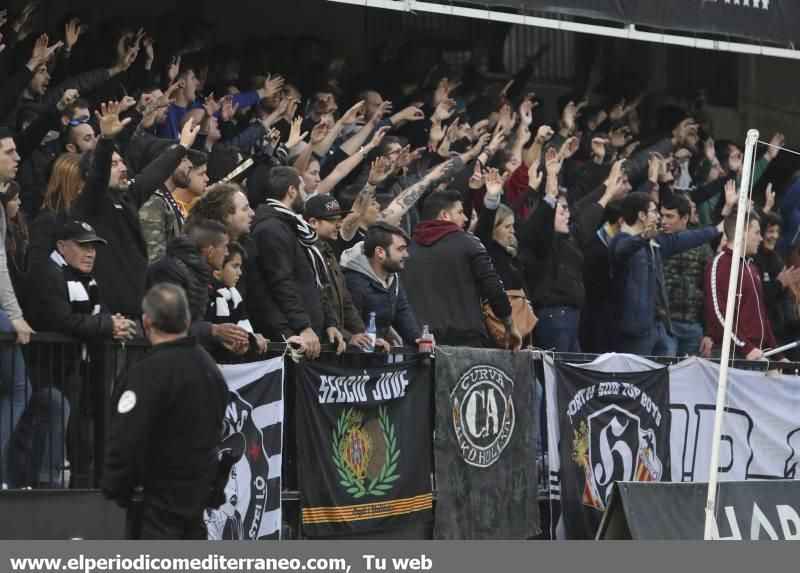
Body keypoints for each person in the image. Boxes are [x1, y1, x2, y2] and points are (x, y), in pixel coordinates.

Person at [101, 283, 229, 539]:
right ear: (188, 319)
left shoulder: (147, 373)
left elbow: (127, 436)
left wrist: (116, 486)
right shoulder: (210, 369)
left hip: (156, 505)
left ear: (146, 321)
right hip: (196, 501)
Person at [21, 220, 136, 487]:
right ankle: (43, 485)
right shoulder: (46, 274)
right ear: (61, 247)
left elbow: (102, 314)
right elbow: (60, 321)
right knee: (56, 411)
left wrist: (115, 324)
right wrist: (107, 326)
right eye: (83, 246)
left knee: (86, 434)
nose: (91, 253)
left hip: (75, 373)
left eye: (93, 247)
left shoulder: (88, 280)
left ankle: (87, 484)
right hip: (42, 371)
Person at [71, 102, 200, 319]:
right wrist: (105, 140)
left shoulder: (128, 199)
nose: (123, 168)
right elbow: (98, 177)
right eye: (114, 164)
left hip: (138, 314)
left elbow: (152, 175)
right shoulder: (90, 204)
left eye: (122, 162)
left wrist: (182, 147)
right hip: (108, 317)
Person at [402, 189, 521, 349]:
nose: (465, 218)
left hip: (418, 345)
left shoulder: (405, 249)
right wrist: (509, 325)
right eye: (460, 212)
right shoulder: (468, 243)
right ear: (445, 215)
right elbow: (493, 287)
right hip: (465, 344)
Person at [246, 166, 344, 359]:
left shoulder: (294, 227)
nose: (305, 194)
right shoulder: (270, 229)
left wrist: (330, 323)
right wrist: (302, 327)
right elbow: (281, 283)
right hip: (294, 340)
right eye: (301, 189)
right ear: (292, 191)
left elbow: (310, 280)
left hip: (310, 333)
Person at [610, 191, 721, 355]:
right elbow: (623, 249)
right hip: (635, 331)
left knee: (664, 377)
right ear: (641, 215)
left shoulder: (655, 243)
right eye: (654, 212)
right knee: (637, 377)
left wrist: (717, 229)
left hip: (658, 327)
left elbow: (685, 238)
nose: (659, 218)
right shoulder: (622, 240)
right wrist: (643, 237)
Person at [146, 218, 249, 354]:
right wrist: (213, 331)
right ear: (210, 251)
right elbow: (167, 326)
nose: (227, 253)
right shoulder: (169, 272)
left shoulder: (199, 273)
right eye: (224, 247)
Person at [705, 211, 785, 360]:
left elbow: (761, 316)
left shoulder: (752, 267)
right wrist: (745, 347)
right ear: (741, 233)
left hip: (755, 354)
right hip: (733, 355)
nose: (760, 238)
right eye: (757, 233)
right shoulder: (720, 264)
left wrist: (777, 355)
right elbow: (718, 312)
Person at [341, 222, 420, 347]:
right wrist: (371, 342)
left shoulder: (393, 277)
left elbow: (402, 311)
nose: (406, 254)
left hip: (377, 356)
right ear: (380, 252)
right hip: (354, 360)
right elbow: (350, 325)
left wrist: (417, 338)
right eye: (400, 249)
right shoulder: (353, 281)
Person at [660, 193, 715, 357]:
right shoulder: (656, 243)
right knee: (666, 375)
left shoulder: (701, 246)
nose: (664, 221)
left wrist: (709, 332)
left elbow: (710, 289)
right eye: (662, 215)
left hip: (694, 326)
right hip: (665, 326)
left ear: (684, 218)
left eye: (669, 216)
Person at [205, 241, 270, 360]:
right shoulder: (206, 297)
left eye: (240, 267)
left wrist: (250, 339)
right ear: (218, 269)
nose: (239, 273)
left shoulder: (234, 297)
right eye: (235, 266)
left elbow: (243, 331)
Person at [140, 149, 207, 261]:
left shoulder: (165, 200)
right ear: (165, 163)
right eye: (183, 160)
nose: (190, 164)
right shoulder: (153, 202)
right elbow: (155, 260)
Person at [28, 153, 83, 268]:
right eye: (85, 178)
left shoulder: (91, 213)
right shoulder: (46, 220)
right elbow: (37, 267)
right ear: (72, 181)